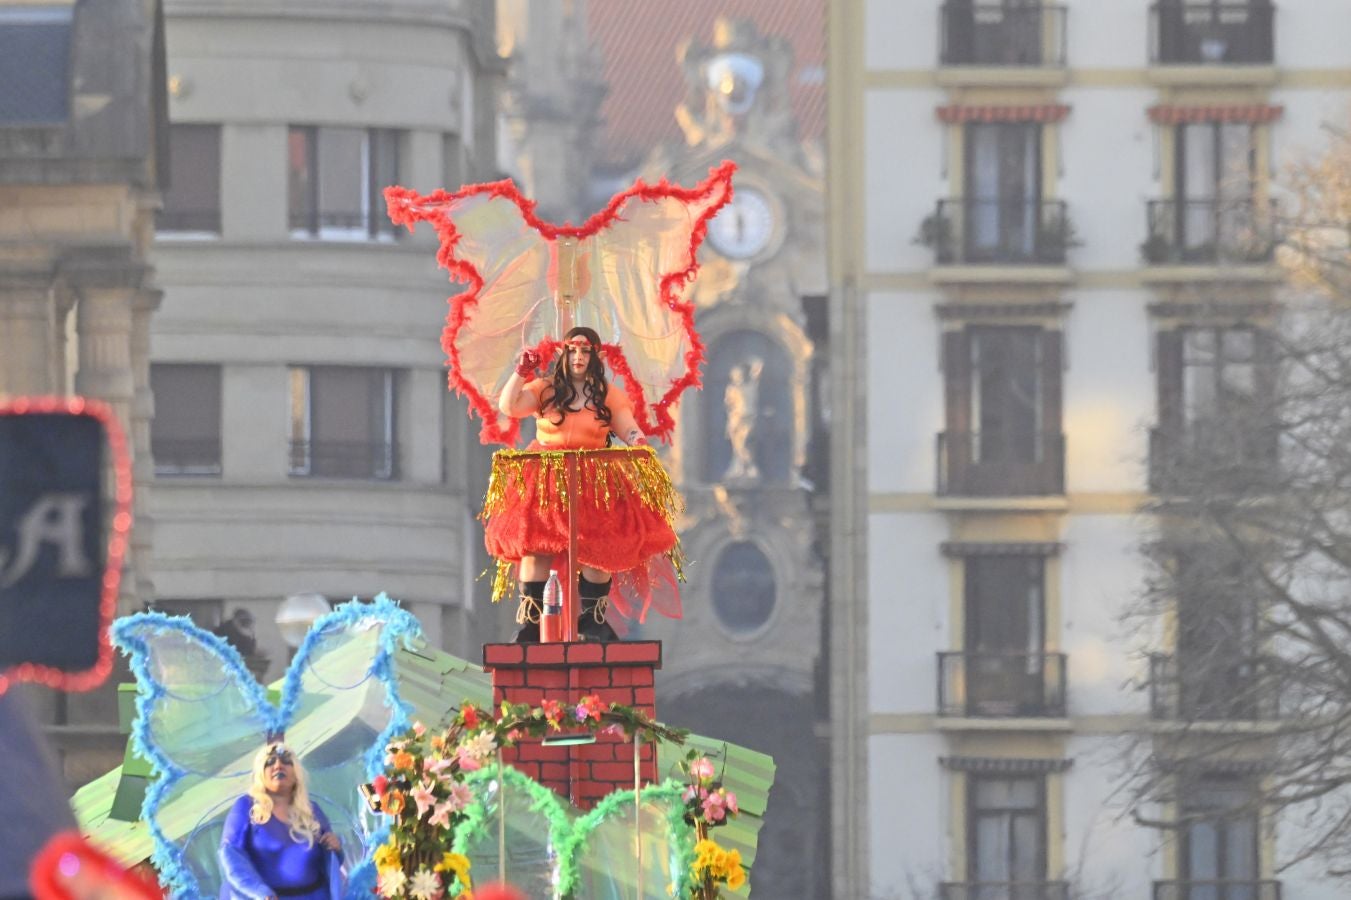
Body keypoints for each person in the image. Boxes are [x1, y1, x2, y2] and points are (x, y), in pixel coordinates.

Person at [492, 325, 679, 641]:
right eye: (572, 350)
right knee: (536, 547)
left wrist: (637, 439)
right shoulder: (544, 389)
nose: (578, 357)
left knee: (598, 547)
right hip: (546, 477)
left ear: (597, 356)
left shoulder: (608, 395)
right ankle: (532, 621)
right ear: (563, 354)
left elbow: (627, 427)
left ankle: (592, 620)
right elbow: (510, 407)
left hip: (593, 478)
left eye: (585, 351)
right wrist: (520, 374)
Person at [218, 742, 342, 900]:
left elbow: (329, 863)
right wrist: (259, 892)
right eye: (270, 762)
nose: (278, 765)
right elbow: (230, 854)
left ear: (296, 772)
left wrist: (336, 849)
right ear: (260, 773)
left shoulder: (312, 810)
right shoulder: (246, 807)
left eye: (286, 761)